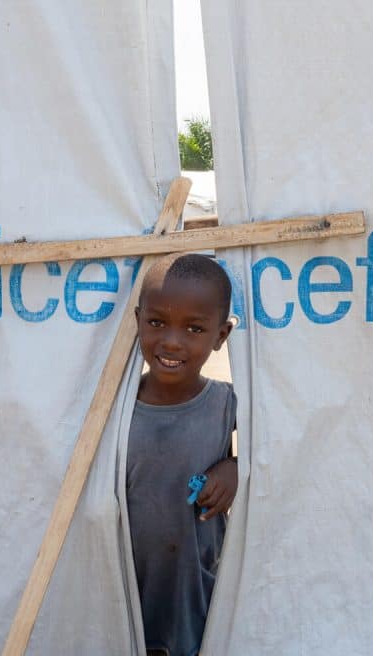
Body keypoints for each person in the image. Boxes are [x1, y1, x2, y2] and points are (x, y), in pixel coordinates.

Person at [127, 252, 238, 656]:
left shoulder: (228, 404)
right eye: (156, 323)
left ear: (221, 337)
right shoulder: (113, 408)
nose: (171, 341)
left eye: (194, 328)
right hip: (122, 592)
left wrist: (237, 468)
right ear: (138, 320)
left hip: (192, 592)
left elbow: (279, 453)